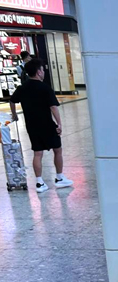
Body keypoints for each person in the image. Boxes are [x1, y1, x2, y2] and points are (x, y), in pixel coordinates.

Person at [9, 57, 73, 193]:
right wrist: (59, 124)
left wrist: (14, 115)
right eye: (42, 70)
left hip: (32, 126)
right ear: (38, 72)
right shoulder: (45, 88)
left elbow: (12, 100)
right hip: (47, 125)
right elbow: (53, 107)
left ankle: (39, 182)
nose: (43, 72)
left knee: (37, 153)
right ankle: (59, 178)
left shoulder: (22, 87)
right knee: (57, 150)